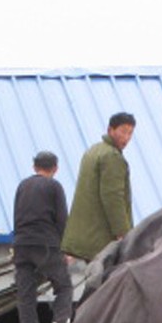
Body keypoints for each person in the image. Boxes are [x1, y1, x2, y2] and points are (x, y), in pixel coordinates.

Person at [12, 151, 73, 323]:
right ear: (55, 168)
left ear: (34, 167)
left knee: (26, 293)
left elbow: (16, 217)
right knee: (64, 287)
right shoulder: (54, 186)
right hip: (46, 244)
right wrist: (67, 249)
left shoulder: (22, 186)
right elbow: (62, 219)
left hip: (22, 244)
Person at [61, 112, 136, 261]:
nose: (126, 138)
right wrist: (123, 233)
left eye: (130, 133)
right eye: (123, 132)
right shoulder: (112, 157)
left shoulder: (93, 150)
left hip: (84, 234)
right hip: (101, 237)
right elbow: (113, 197)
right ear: (110, 130)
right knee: (107, 280)